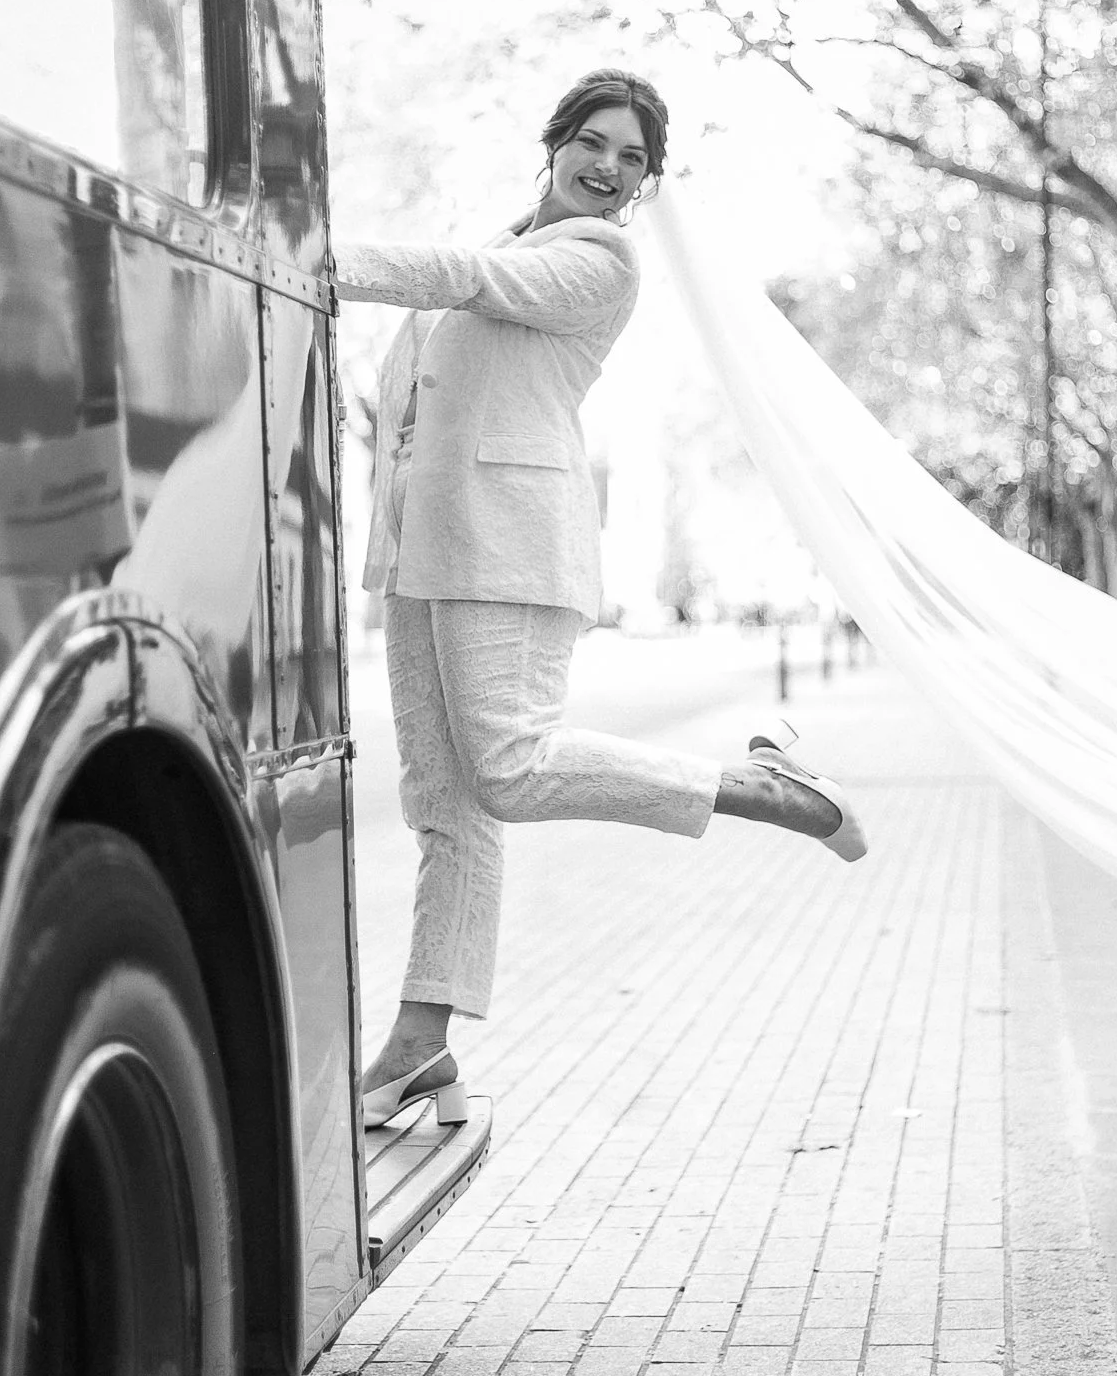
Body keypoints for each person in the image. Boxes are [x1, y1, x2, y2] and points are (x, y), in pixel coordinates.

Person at [336, 69, 866, 1128]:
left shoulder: (597, 260)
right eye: (596, 141)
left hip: (510, 554)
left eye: (634, 159)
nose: (611, 168)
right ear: (556, 140)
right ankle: (419, 1044)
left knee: (511, 771)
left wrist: (312, 260)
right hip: (418, 556)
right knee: (445, 807)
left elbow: (455, 278)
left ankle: (749, 786)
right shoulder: (517, 239)